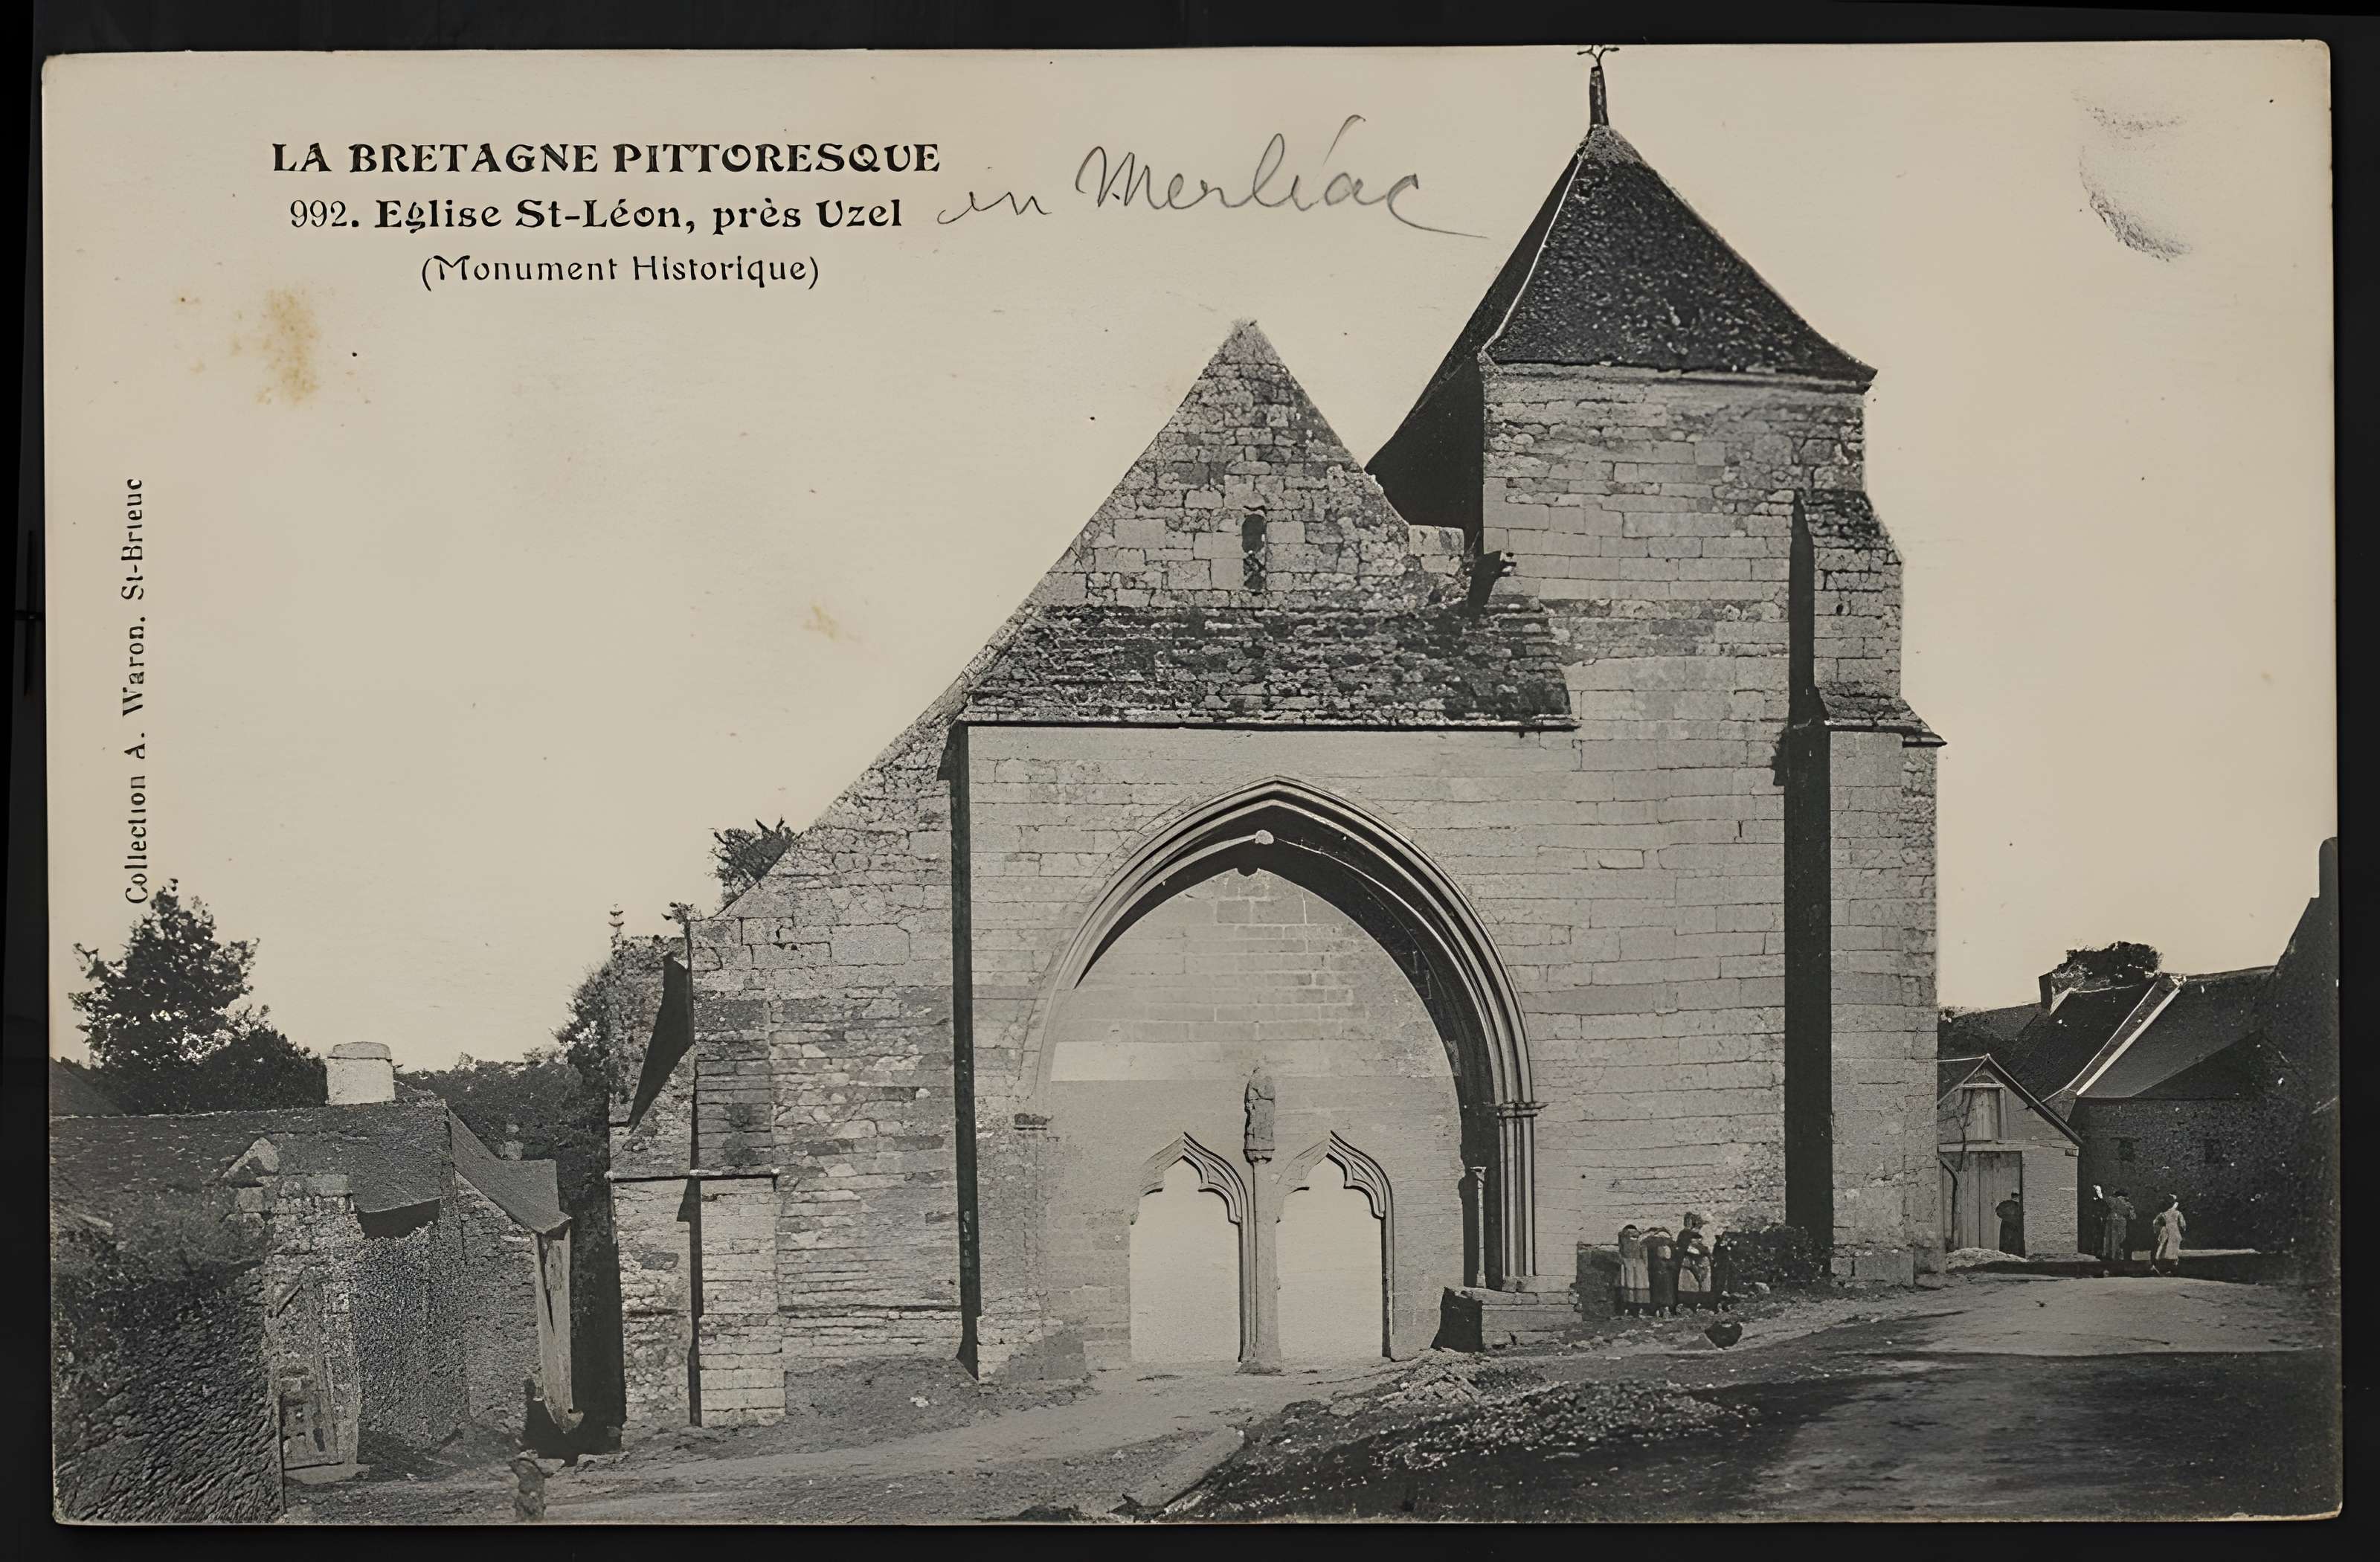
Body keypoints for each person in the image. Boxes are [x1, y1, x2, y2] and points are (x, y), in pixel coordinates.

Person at [1676, 1216, 1716, 1311]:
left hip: (1697, 1264)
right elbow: (1685, 1249)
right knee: (1690, 1285)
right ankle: (1690, 1305)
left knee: (1697, 1285)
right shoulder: (1685, 1235)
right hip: (1689, 1264)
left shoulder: (1693, 1239)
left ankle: (1697, 1304)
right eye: (1698, 1228)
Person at [1615, 1224, 1651, 1317]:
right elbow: (1621, 1253)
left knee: (1640, 1287)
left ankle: (1640, 1309)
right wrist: (1623, 1262)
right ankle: (1628, 1309)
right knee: (1629, 1286)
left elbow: (1645, 1255)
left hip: (1639, 1266)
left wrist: (1645, 1266)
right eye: (1629, 1233)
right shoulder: (1623, 1241)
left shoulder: (1641, 1242)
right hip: (1628, 1265)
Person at [1644, 1225, 1679, 1316]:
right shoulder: (1658, 1247)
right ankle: (1660, 1309)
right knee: (1661, 1292)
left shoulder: (1665, 1246)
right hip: (1660, 1273)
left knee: (1665, 1292)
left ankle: (1664, 1309)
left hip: (1664, 1273)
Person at [2152, 1195, 2187, 1275]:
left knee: (2163, 1249)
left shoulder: (2163, 1214)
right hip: (2175, 1232)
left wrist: (2159, 1231)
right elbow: (2182, 1225)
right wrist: (2182, 1231)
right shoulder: (2177, 1213)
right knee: (2172, 1250)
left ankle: (2163, 1268)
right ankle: (2169, 1268)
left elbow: (2155, 1223)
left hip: (2167, 1232)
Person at [2104, 1189, 2135, 1264]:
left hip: (2111, 1219)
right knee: (2120, 1239)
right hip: (2121, 1220)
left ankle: (2110, 1255)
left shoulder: (2111, 1201)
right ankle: (2118, 1256)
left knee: (2110, 1238)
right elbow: (2133, 1216)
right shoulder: (2126, 1203)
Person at [1995, 1189, 2025, 1257]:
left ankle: (2006, 1256)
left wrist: (2007, 1218)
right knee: (2014, 1241)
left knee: (2007, 1241)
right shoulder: (2018, 1206)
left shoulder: (2004, 1204)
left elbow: (1998, 1212)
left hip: (2007, 1225)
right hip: (2013, 1225)